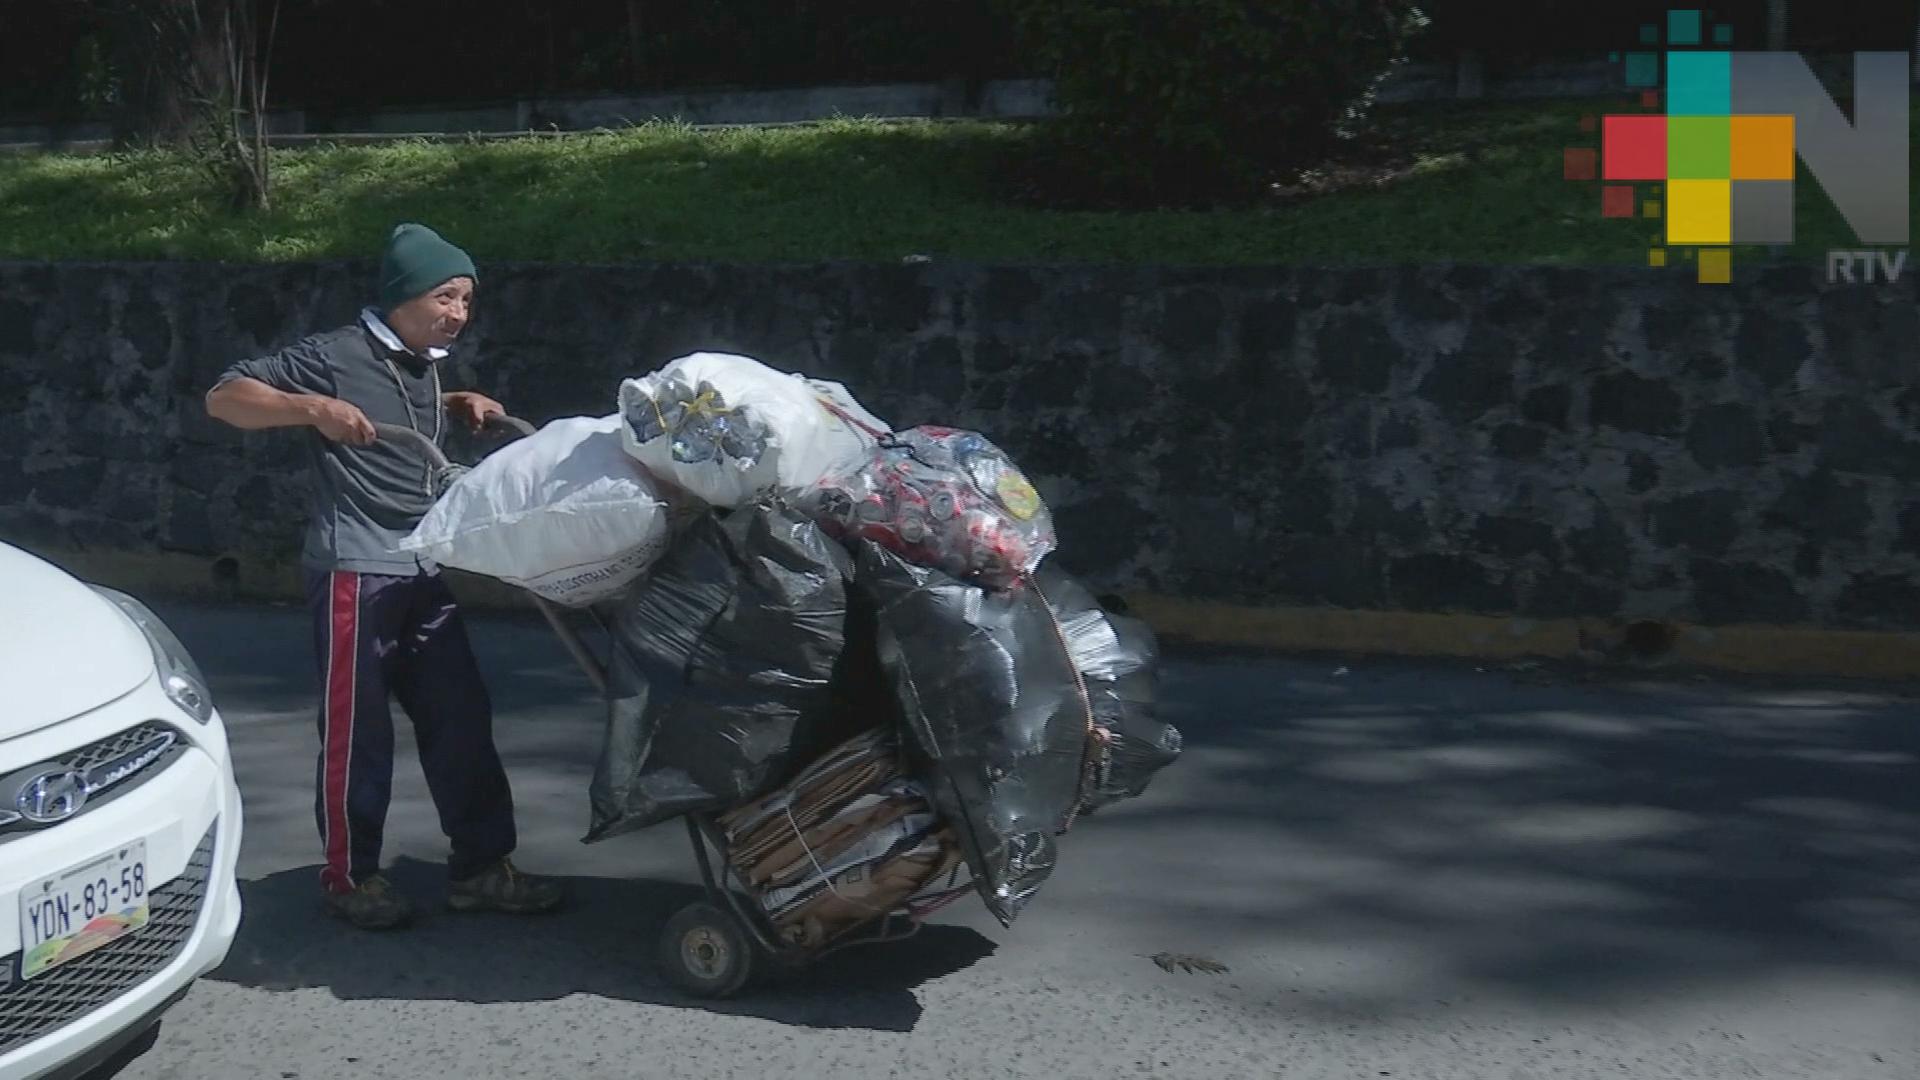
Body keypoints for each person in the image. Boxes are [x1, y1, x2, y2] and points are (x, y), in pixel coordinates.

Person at [206, 222, 564, 930]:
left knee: (461, 717)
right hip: (356, 573)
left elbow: (405, 410)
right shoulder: (333, 355)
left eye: (466, 299)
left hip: (424, 564)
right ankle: (348, 878)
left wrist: (457, 402)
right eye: (445, 296)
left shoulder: (422, 362)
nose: (458, 312)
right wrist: (311, 409)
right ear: (402, 296)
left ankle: (482, 868)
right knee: (357, 733)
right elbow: (224, 397)